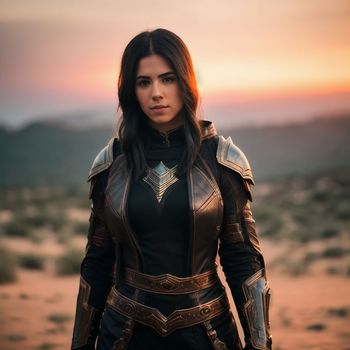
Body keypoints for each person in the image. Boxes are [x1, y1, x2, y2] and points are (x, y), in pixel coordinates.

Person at [71, 28, 272, 350]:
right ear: (130, 90)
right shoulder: (111, 163)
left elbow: (243, 259)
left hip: (208, 335)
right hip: (122, 334)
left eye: (167, 79)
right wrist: (80, 345)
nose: (156, 93)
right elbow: (97, 261)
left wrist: (260, 344)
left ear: (186, 82)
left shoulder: (222, 160)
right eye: (143, 82)